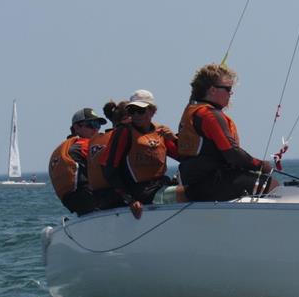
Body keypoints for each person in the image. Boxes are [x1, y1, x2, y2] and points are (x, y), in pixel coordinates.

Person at [177, 64, 277, 201]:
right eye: (228, 89)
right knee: (272, 185)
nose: (231, 93)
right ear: (212, 90)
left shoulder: (192, 110)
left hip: (195, 185)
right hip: (212, 183)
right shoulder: (209, 115)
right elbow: (232, 154)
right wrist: (261, 165)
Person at [101, 89, 178, 219]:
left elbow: (183, 157)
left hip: (161, 185)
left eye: (140, 111)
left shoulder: (161, 131)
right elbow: (108, 169)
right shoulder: (123, 132)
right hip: (139, 192)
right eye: (132, 111)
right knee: (184, 194)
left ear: (153, 111)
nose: (136, 115)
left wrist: (174, 139)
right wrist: (130, 200)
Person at [48, 108, 107, 215]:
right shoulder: (84, 145)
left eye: (97, 125)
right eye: (91, 124)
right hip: (89, 198)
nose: (95, 129)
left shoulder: (65, 148)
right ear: (77, 127)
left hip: (72, 202)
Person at [87, 100, 129, 210]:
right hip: (120, 197)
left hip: (100, 199)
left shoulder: (95, 141)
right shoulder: (122, 136)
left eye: (97, 125)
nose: (95, 128)